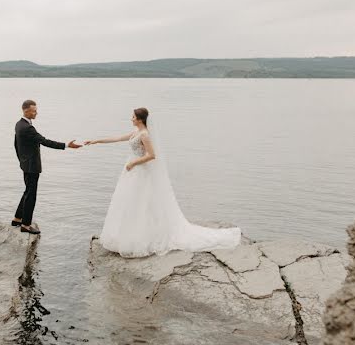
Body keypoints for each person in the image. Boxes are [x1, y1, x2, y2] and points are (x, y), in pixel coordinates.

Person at [84, 107, 241, 257]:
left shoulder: (145, 135)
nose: (131, 119)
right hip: (132, 172)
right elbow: (117, 138)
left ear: (139, 119)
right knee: (130, 203)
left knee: (141, 203)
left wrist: (134, 163)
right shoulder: (136, 132)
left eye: (133, 116)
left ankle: (142, 238)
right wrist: (96, 141)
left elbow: (152, 155)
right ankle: (128, 235)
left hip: (140, 171)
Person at [13, 99, 82, 234]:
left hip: (25, 164)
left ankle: (17, 218)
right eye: (34, 111)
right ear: (26, 111)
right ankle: (25, 225)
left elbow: (16, 144)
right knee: (31, 194)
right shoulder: (28, 128)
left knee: (27, 191)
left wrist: (21, 160)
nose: (36, 113)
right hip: (31, 166)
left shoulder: (19, 124)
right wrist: (66, 145)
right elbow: (45, 141)